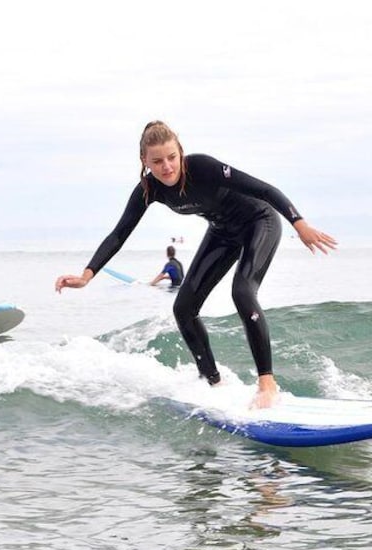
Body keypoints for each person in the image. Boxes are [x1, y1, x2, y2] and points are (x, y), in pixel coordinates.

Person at [55, 121, 337, 408]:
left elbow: (265, 190)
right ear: (144, 162)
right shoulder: (148, 190)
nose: (166, 167)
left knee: (242, 292)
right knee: (184, 308)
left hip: (258, 223)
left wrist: (299, 224)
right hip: (222, 232)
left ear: (180, 152)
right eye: (157, 161)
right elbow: (119, 234)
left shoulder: (204, 168)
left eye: (171, 157)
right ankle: (213, 382)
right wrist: (87, 275)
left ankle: (267, 384)